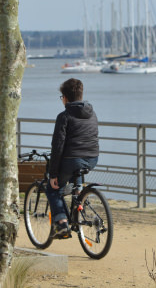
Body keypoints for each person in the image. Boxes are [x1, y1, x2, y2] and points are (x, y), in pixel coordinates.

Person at [47, 78, 99, 238]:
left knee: (53, 189)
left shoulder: (64, 116)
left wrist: (53, 173)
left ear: (65, 97)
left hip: (72, 159)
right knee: (76, 168)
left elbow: (57, 146)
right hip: (92, 158)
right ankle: (78, 191)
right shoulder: (92, 113)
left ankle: (62, 223)